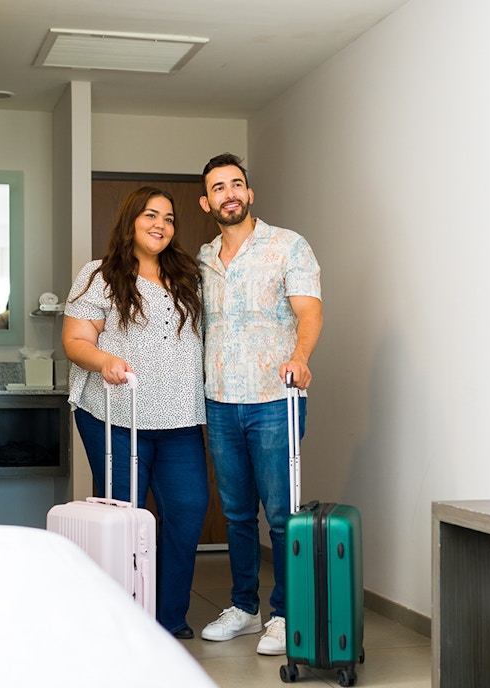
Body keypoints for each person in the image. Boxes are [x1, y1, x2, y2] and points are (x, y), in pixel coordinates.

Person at [62, 186, 209, 640]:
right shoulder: (100, 275)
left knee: (187, 509)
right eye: (150, 215)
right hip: (115, 414)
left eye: (168, 218)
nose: (160, 224)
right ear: (131, 221)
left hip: (181, 416)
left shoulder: (189, 277)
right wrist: (104, 361)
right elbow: (75, 341)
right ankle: (124, 615)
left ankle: (167, 617)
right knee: (125, 516)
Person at [196, 153, 323, 655]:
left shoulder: (288, 245)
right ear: (207, 202)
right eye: (218, 188)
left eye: (237, 184)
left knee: (281, 514)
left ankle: (285, 613)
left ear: (249, 194)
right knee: (235, 514)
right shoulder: (202, 259)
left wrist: (301, 356)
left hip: (275, 400)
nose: (229, 193)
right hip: (221, 402)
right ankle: (245, 609)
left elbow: (309, 311)